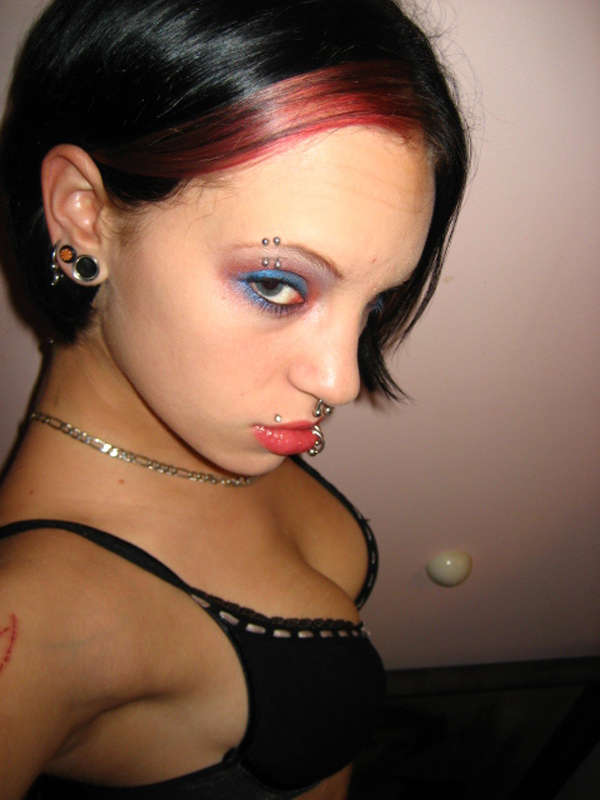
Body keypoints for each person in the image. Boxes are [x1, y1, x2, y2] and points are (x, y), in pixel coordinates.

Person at [0, 0, 468, 797]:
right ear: (83, 213)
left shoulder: (205, 422)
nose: (340, 380)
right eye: (277, 285)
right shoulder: (36, 621)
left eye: (376, 302)